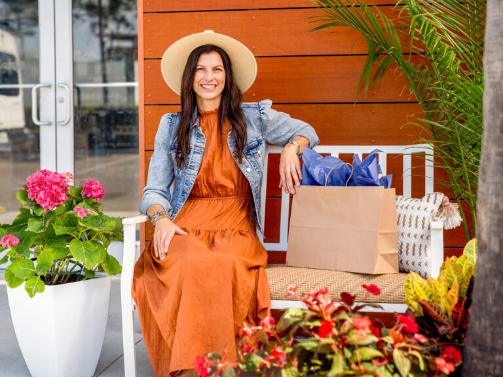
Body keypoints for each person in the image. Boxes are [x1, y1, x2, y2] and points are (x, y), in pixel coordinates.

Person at [132, 30, 319, 377]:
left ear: (227, 76)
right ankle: (198, 369)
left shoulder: (253, 117)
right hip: (186, 220)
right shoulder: (171, 126)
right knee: (188, 259)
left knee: (220, 261)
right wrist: (160, 219)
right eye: (201, 70)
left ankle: (211, 368)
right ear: (190, 78)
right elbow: (154, 190)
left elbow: (306, 128)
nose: (209, 77)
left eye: (217, 70)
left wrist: (294, 147)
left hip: (235, 222)